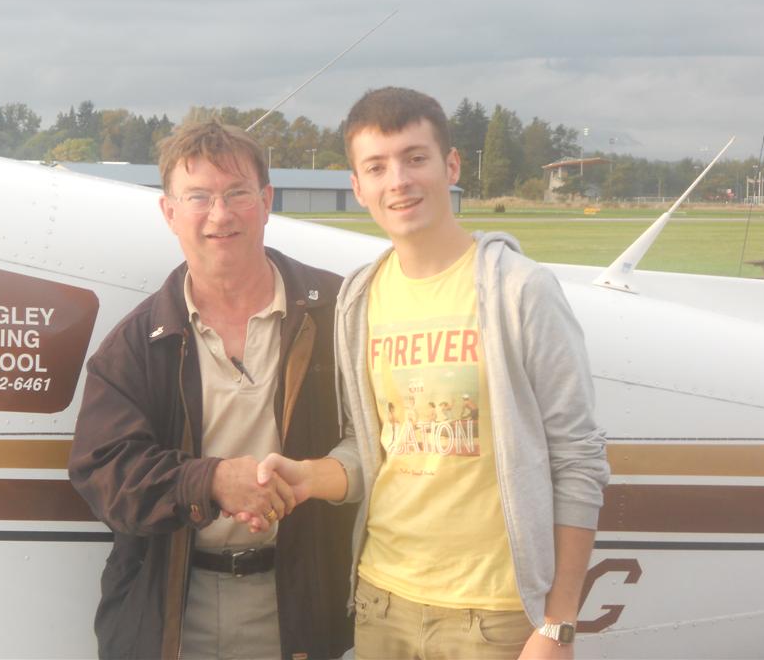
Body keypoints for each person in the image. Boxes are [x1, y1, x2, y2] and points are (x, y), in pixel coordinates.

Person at [254, 87, 610, 660]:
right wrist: (312, 477)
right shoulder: (358, 302)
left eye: (415, 158)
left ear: (450, 167)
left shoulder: (521, 291)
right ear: (359, 187)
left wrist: (558, 624)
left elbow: (579, 460)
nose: (398, 181)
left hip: (493, 617)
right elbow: (375, 447)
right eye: (377, 167)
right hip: (382, 603)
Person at [68, 121, 354, 660]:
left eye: (237, 194)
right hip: (176, 617)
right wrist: (213, 482)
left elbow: (382, 436)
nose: (220, 215)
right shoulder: (136, 343)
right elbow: (103, 473)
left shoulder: (336, 312)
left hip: (299, 612)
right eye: (198, 197)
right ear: (168, 212)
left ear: (266, 201)